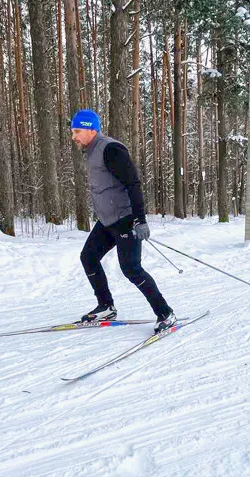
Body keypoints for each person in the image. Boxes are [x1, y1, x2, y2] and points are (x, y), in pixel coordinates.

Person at [70, 109, 176, 334]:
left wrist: (140, 219)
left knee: (131, 269)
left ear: (91, 129)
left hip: (126, 219)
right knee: (88, 257)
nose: (74, 136)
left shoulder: (111, 149)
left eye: (77, 131)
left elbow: (133, 184)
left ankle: (165, 313)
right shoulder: (91, 151)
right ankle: (106, 306)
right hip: (108, 221)